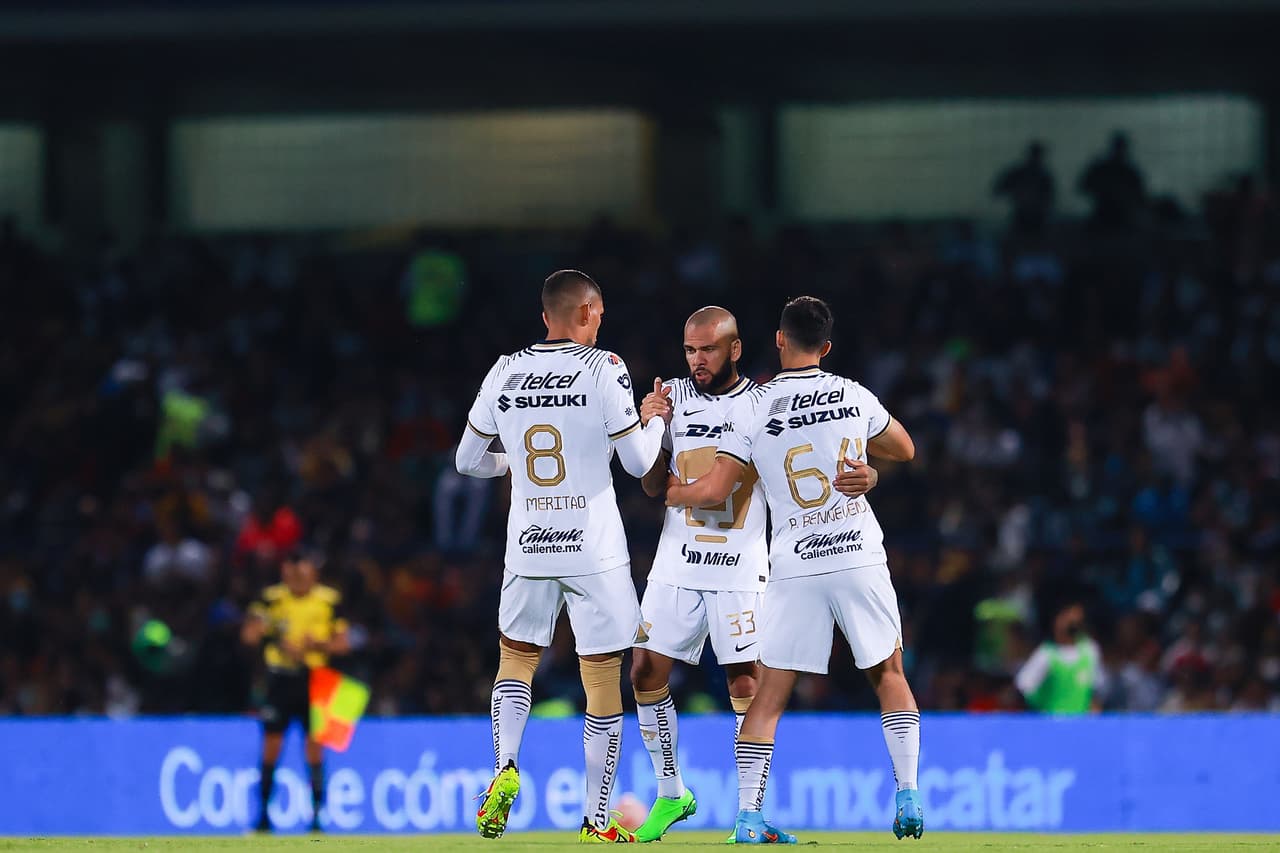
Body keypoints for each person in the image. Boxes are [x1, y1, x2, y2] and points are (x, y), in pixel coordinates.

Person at [665, 296, 923, 843]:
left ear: (778, 340)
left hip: (796, 563)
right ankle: (907, 796)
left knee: (769, 696)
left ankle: (748, 817)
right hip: (856, 551)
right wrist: (869, 473)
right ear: (826, 348)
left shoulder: (754, 407)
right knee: (889, 676)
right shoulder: (852, 393)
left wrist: (663, 488)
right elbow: (904, 447)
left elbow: (714, 489)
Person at [455, 269, 667, 843]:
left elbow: (467, 461)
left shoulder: (505, 370)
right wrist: (655, 419)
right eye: (598, 312)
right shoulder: (606, 368)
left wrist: (512, 466)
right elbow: (640, 464)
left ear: (544, 315)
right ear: (587, 312)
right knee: (601, 679)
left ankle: (503, 769)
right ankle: (597, 821)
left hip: (529, 544)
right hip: (593, 548)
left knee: (516, 660)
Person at [241, 548, 350, 833]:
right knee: (271, 748)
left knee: (315, 749)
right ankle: (263, 817)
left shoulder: (328, 601)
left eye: (303, 571)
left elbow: (343, 644)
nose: (297, 577)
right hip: (280, 679)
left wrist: (318, 645)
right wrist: (274, 637)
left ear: (313, 572)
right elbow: (249, 635)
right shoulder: (271, 599)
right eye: (291, 571)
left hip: (316, 679)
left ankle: (316, 819)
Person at [1015, 600, 1105, 713]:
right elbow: (1024, 685)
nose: (1072, 620)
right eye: (1067, 616)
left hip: (1081, 724)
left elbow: (1098, 687)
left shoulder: (1090, 649)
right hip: (1052, 723)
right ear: (1056, 621)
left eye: (1077, 617)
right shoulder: (1046, 653)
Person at [991, 140, 1055, 237]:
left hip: (1037, 215)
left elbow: (1050, 197)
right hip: (1023, 214)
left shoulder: (1043, 176)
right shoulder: (1020, 173)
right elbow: (998, 189)